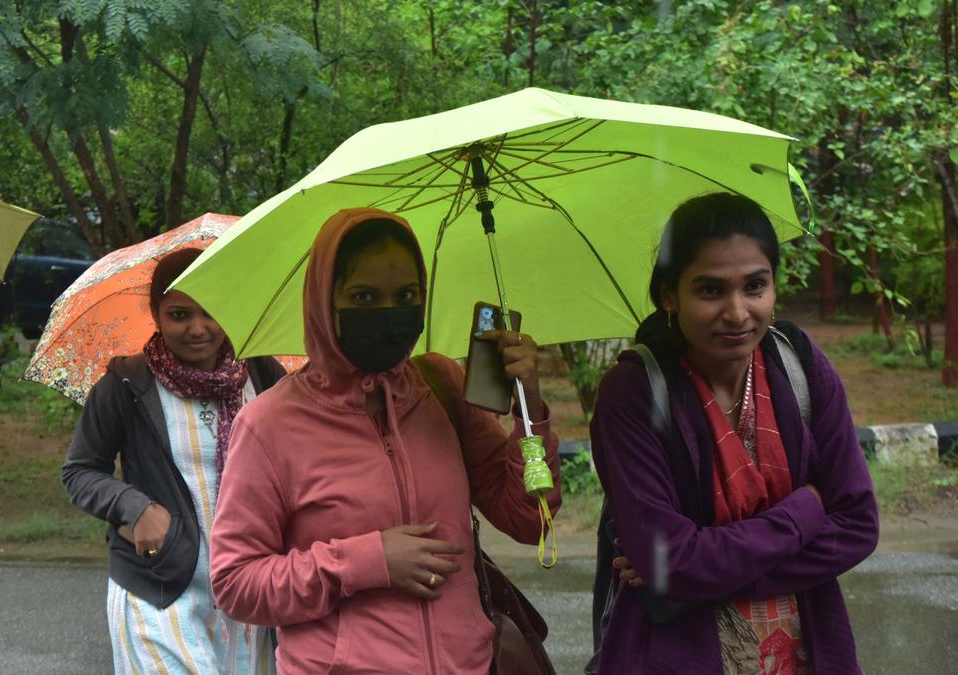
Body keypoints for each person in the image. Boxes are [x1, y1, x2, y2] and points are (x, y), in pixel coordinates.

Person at [208, 208, 562, 674]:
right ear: (323, 301)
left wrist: (529, 410)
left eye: (406, 295)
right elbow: (235, 583)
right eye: (364, 296)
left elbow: (528, 517)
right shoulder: (268, 424)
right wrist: (364, 562)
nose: (388, 313)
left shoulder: (440, 386)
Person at [588, 193, 878, 674]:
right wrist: (803, 512)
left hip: (808, 649)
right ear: (669, 295)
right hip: (676, 654)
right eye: (710, 290)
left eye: (755, 286)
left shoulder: (799, 366)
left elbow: (857, 525)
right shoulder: (634, 392)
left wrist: (704, 568)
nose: (738, 312)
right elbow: (671, 563)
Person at [62, 246, 286, 675]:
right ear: (157, 313)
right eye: (180, 314)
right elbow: (80, 471)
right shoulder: (126, 384)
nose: (197, 329)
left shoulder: (262, 375)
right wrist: (135, 507)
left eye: (210, 311)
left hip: (247, 591)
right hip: (158, 588)